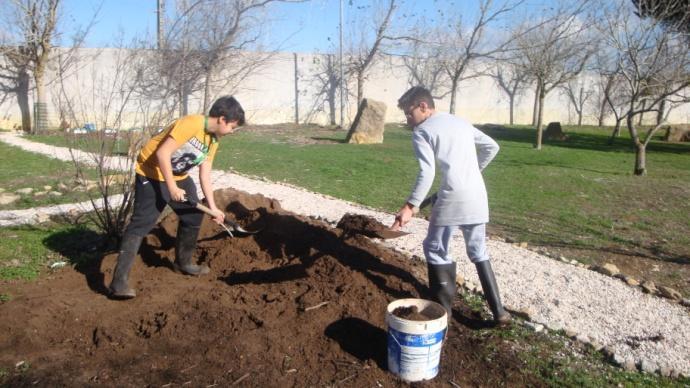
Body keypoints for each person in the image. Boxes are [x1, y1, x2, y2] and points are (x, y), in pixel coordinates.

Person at [391, 86, 509, 324]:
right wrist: (472, 172)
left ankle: (442, 312)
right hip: (477, 195)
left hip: (452, 197)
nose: (408, 118)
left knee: (435, 248)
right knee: (478, 251)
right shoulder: (460, 122)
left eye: (408, 112)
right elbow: (492, 147)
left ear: (423, 106)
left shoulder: (422, 131)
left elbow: (427, 173)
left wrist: (410, 206)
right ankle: (500, 313)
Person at [108, 96, 246, 299]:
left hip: (179, 176)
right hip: (152, 173)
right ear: (222, 119)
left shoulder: (213, 139)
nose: (233, 131)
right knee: (141, 224)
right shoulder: (191, 123)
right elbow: (162, 154)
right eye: (233, 127)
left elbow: (204, 173)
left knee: (192, 216)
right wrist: (171, 187)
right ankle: (118, 284)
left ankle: (183, 263)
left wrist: (213, 207)